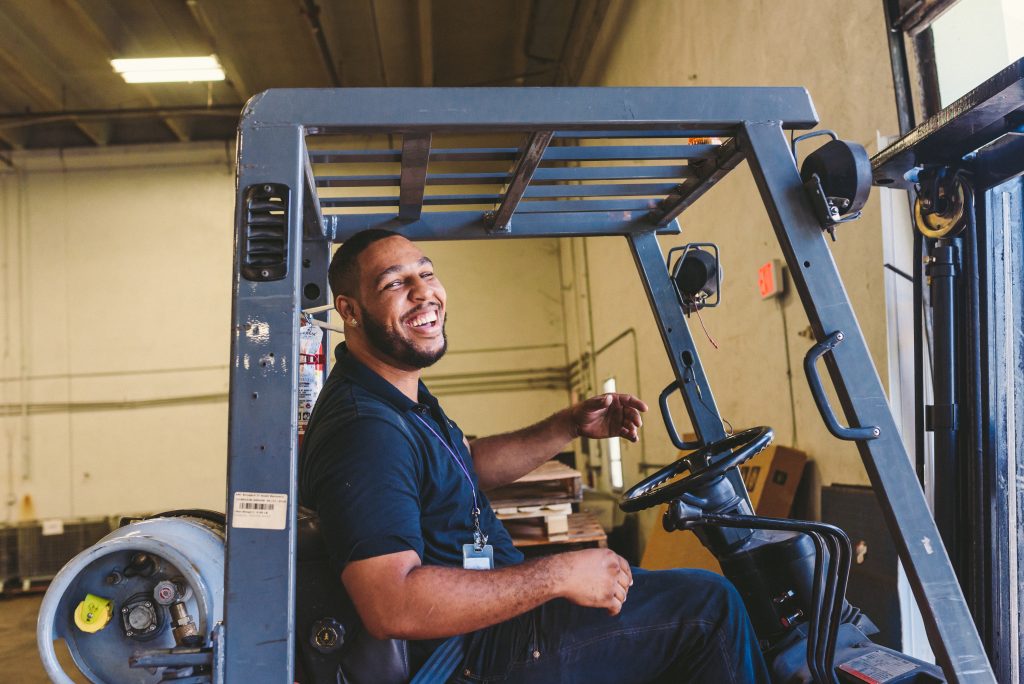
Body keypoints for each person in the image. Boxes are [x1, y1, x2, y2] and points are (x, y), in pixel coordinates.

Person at [299, 229, 770, 683]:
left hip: (491, 634)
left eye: (427, 273)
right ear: (350, 310)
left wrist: (567, 426)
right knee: (709, 608)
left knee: (664, 595)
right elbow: (391, 603)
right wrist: (559, 573)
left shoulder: (399, 398)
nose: (424, 293)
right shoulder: (365, 429)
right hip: (472, 654)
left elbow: (467, 463)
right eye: (396, 283)